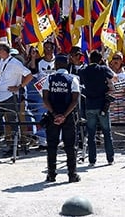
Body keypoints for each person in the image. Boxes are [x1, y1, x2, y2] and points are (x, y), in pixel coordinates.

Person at [0, 43, 33, 156]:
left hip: (11, 96)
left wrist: (19, 86)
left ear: (3, 50)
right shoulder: (2, 61)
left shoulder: (15, 63)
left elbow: (29, 75)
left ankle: (13, 148)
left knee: (12, 122)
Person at [42, 55, 81, 183]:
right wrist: (64, 115)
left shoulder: (49, 78)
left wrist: (54, 114)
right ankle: (72, 175)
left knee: (52, 145)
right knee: (70, 146)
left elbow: (45, 99)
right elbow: (75, 100)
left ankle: (51, 174)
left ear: (55, 65)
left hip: (52, 116)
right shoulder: (73, 79)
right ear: (67, 64)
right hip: (68, 116)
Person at [78, 50, 116, 166]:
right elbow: (115, 77)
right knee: (107, 132)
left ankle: (92, 160)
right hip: (102, 104)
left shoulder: (83, 71)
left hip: (89, 104)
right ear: (100, 59)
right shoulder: (103, 69)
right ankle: (110, 159)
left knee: (91, 134)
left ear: (89, 59)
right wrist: (106, 66)